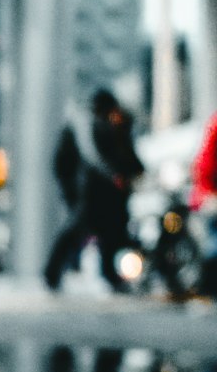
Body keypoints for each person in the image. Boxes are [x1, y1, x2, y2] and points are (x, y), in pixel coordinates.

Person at [43, 87, 144, 292]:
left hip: (104, 193)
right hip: (95, 192)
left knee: (107, 233)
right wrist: (115, 175)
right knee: (81, 230)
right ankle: (52, 274)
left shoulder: (112, 126)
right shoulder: (90, 125)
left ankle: (107, 275)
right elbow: (94, 157)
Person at [188, 109, 217, 296]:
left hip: (208, 192)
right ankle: (208, 286)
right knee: (213, 243)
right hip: (211, 195)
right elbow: (205, 164)